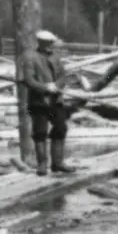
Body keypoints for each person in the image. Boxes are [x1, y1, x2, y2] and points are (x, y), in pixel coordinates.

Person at [23, 29, 74, 175]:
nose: (50, 45)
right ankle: (42, 165)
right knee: (40, 132)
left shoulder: (55, 57)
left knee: (60, 128)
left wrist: (56, 86)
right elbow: (29, 80)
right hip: (38, 101)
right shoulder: (30, 58)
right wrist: (45, 87)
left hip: (55, 100)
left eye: (51, 43)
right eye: (47, 43)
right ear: (41, 42)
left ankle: (57, 163)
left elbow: (63, 76)